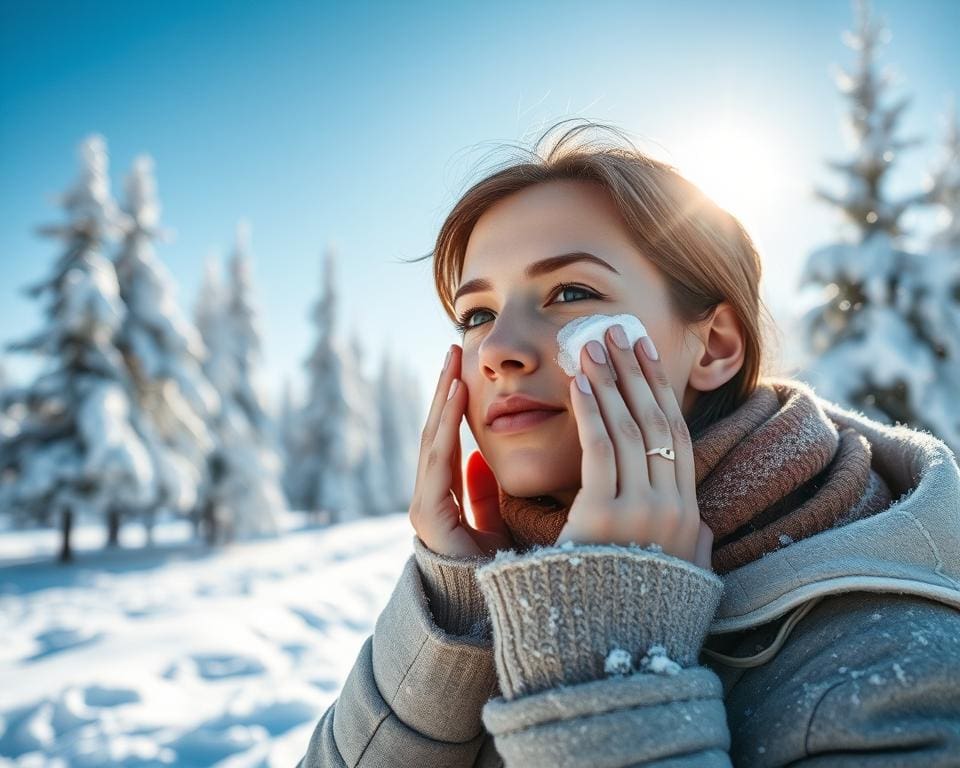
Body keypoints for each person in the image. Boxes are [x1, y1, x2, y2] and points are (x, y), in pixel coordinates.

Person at [297, 119, 960, 766]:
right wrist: (456, 622)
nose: (497, 349)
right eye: (477, 315)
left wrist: (606, 653)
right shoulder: (476, 597)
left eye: (570, 292)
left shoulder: (892, 666)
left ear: (715, 345)